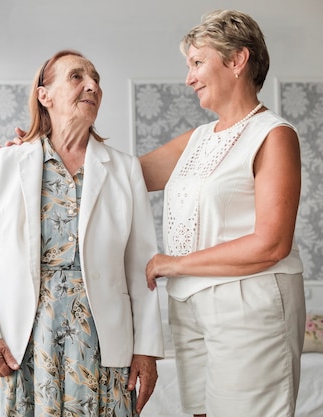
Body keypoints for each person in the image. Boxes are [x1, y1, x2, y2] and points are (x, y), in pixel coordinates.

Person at [0, 49, 164, 417]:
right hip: (20, 340)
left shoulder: (124, 169)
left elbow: (143, 268)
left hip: (100, 344)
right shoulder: (4, 163)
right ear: (45, 95)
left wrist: (147, 348)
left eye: (96, 80)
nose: (92, 86)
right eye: (77, 77)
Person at [141, 9, 306, 417]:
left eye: (198, 62)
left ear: (236, 60)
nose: (189, 77)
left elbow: (272, 244)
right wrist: (47, 142)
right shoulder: (196, 139)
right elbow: (123, 176)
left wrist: (176, 264)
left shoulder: (273, 135)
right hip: (188, 305)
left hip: (249, 306)